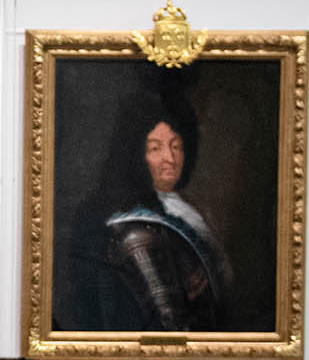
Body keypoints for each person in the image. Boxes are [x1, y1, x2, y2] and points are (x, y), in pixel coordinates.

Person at [62, 84, 235, 331]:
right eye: (155, 148)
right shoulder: (135, 229)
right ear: (136, 154)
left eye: (176, 146)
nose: (170, 159)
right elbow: (168, 325)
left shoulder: (183, 209)